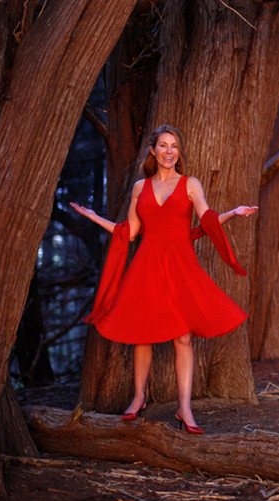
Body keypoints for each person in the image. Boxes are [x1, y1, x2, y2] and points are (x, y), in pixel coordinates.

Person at [71, 125, 257, 434]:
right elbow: (128, 232)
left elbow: (206, 220)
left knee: (182, 336)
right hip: (146, 265)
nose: (169, 151)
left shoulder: (190, 184)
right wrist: (93, 216)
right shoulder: (139, 187)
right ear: (154, 151)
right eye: (163, 145)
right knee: (142, 332)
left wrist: (233, 213)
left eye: (174, 146)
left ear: (178, 153)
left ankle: (185, 409)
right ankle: (139, 397)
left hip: (180, 265)